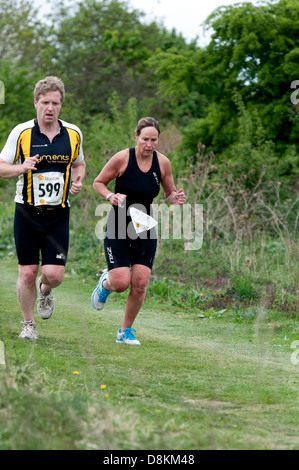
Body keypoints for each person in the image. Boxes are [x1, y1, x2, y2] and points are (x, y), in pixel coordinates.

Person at [0, 76, 86, 340]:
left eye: (56, 103)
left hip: (58, 214)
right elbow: (2, 167)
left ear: (61, 105)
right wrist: (21, 167)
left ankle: (45, 291)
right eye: (46, 102)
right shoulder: (22, 132)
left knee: (54, 275)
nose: (50, 108)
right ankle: (29, 325)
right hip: (26, 211)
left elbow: (79, 163)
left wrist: (79, 179)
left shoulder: (73, 133)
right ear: (36, 102)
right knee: (27, 272)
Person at [91, 117, 185, 345]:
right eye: (145, 139)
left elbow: (169, 192)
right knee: (121, 283)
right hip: (118, 223)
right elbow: (98, 182)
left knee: (141, 282)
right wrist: (110, 196)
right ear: (136, 136)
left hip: (144, 225)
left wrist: (175, 198)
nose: (149, 144)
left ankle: (125, 331)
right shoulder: (123, 158)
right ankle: (105, 284)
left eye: (154, 140)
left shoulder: (162, 163)